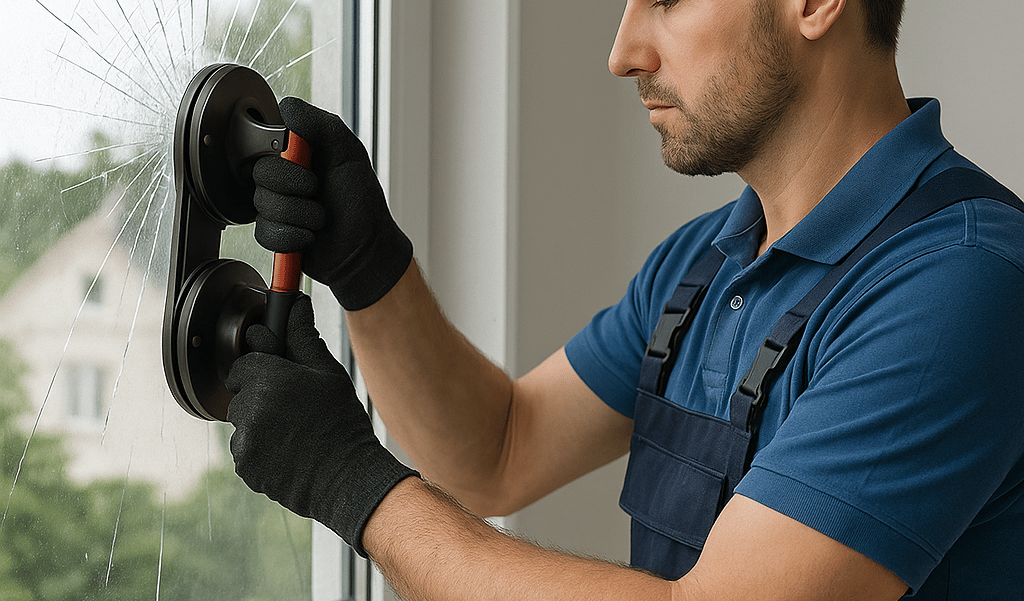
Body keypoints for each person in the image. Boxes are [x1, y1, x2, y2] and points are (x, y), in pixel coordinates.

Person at [225, 0, 1024, 598]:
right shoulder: (705, 262)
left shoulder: (960, 282)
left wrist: (349, 482)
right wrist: (370, 267)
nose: (622, 51)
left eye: (668, 0)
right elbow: (499, 450)